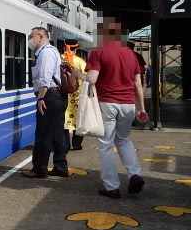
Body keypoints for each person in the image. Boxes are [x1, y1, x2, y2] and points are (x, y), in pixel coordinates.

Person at [78, 17, 149, 199]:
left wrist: (78, 74)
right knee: (124, 140)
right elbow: (138, 84)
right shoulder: (130, 54)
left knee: (106, 145)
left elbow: (92, 79)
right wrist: (141, 108)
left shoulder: (99, 52)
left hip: (107, 103)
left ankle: (111, 187)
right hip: (128, 104)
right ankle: (134, 174)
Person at [21, 27, 69, 178]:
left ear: (40, 37)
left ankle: (39, 169)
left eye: (31, 36)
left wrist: (41, 98)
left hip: (49, 96)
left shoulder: (46, 53)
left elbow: (45, 78)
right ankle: (60, 167)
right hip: (57, 96)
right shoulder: (53, 51)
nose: (30, 40)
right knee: (57, 134)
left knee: (43, 134)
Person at [62, 39, 86, 150]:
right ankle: (76, 144)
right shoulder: (80, 61)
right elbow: (87, 77)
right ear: (75, 49)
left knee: (63, 122)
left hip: (63, 95)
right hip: (77, 97)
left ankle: (65, 145)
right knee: (79, 120)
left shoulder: (60, 59)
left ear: (64, 47)